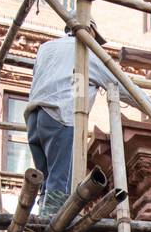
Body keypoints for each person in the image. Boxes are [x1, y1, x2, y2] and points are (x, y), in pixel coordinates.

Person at [24, 24, 120, 216]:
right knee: (60, 180)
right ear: (90, 31)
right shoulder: (87, 54)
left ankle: (43, 217)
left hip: (35, 117)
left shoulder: (46, 48)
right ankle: (51, 225)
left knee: (45, 180)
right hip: (61, 117)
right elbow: (122, 85)